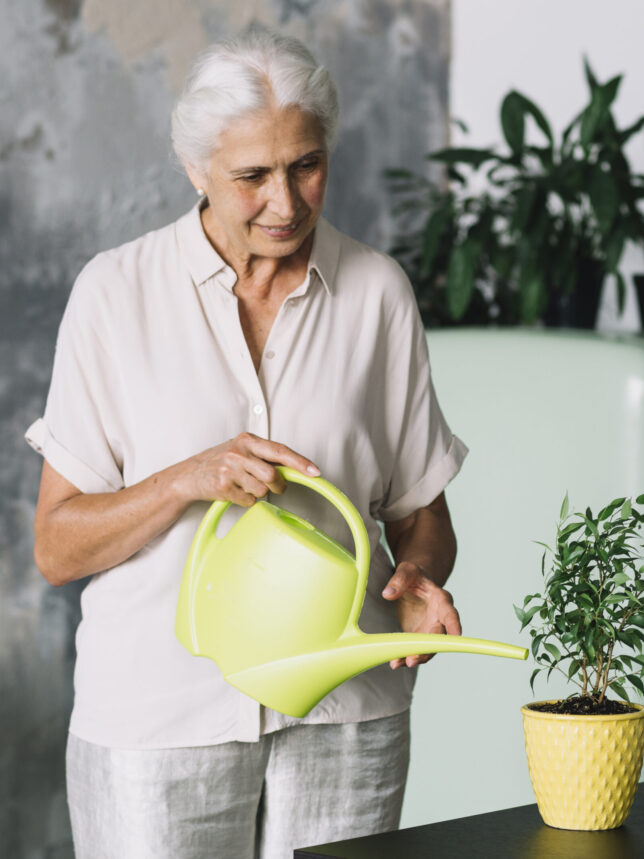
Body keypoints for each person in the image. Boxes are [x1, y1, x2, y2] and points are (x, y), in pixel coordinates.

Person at [26, 28, 467, 859]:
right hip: (159, 723)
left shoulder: (377, 292)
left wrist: (418, 574)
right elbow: (56, 546)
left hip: (345, 711)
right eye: (252, 176)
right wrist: (186, 478)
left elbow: (422, 513)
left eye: (306, 164)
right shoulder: (115, 294)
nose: (286, 202)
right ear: (195, 169)